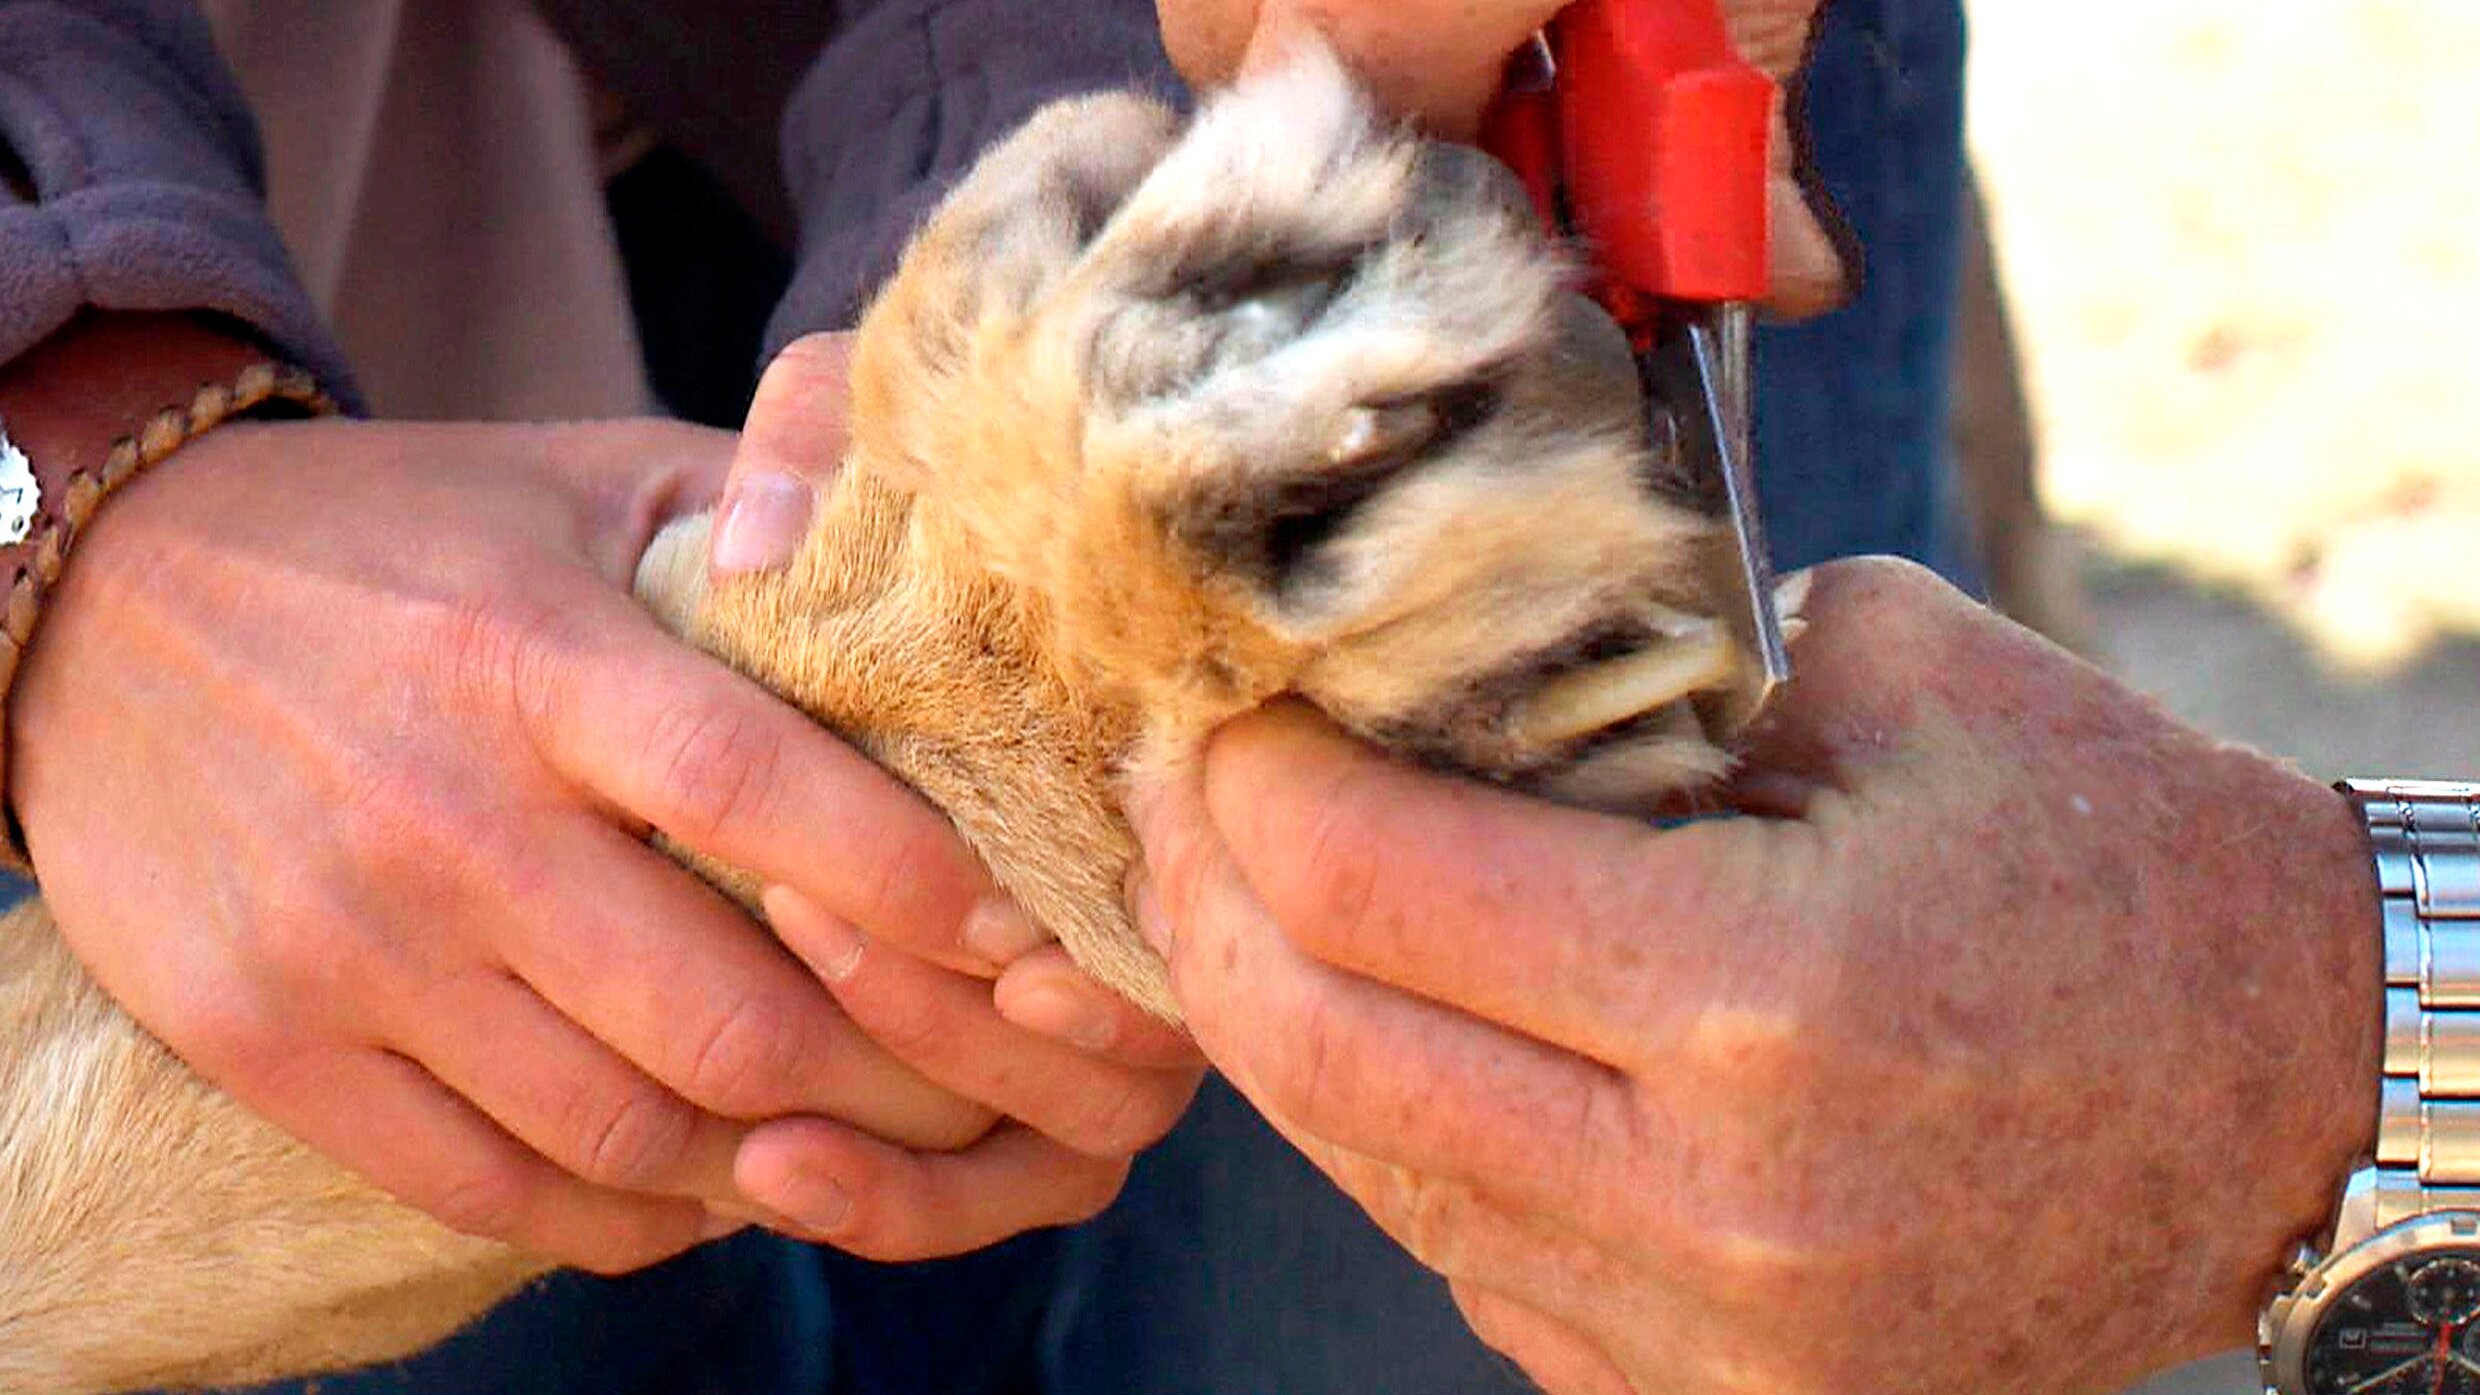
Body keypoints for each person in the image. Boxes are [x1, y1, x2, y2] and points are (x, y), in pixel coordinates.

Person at [0, 0, 1982, 1392]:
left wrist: (1124, 124)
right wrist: (67, 472)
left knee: (1599, 1210)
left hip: (1494, 98)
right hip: (229, 196)